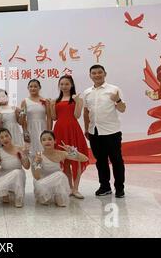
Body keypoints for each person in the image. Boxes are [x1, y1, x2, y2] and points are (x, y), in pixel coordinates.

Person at [83, 65, 126, 198]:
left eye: (99, 72)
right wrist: (86, 129)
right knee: (100, 161)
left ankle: (119, 188)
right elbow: (86, 112)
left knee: (116, 160)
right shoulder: (87, 92)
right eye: (94, 73)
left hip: (112, 131)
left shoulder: (114, 90)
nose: (97, 75)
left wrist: (117, 100)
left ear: (105, 74)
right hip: (94, 132)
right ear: (90, 75)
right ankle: (105, 186)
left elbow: (122, 109)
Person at [51, 75, 89, 199]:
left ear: (71, 85)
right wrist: (51, 106)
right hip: (60, 131)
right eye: (61, 84)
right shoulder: (56, 100)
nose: (64, 86)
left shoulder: (77, 99)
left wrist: (78, 102)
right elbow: (54, 117)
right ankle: (69, 187)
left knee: (76, 159)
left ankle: (76, 189)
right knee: (65, 160)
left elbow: (77, 115)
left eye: (66, 84)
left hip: (73, 130)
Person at [32, 131, 88, 207]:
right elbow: (37, 177)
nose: (47, 141)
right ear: (41, 142)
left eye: (49, 139)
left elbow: (85, 159)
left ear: (55, 141)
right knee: (59, 175)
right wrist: (36, 163)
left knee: (61, 201)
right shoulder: (39, 155)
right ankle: (46, 196)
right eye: (44, 140)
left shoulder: (61, 154)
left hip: (57, 186)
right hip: (42, 186)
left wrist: (72, 151)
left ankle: (58, 196)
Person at [0, 128, 30, 208]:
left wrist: (24, 156)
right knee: (5, 200)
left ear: (11, 137)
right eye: (1, 137)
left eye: (6, 136)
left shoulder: (20, 149)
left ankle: (18, 197)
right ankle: (7, 191)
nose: (5, 139)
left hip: (18, 175)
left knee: (16, 172)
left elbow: (27, 167)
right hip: (4, 175)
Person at [20, 79, 52, 160]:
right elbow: (23, 120)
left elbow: (49, 117)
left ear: (39, 88)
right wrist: (25, 132)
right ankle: (35, 171)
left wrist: (49, 131)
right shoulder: (25, 101)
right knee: (33, 153)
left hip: (43, 128)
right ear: (28, 88)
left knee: (44, 152)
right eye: (31, 86)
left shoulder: (45, 101)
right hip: (31, 129)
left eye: (35, 86)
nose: (33, 88)